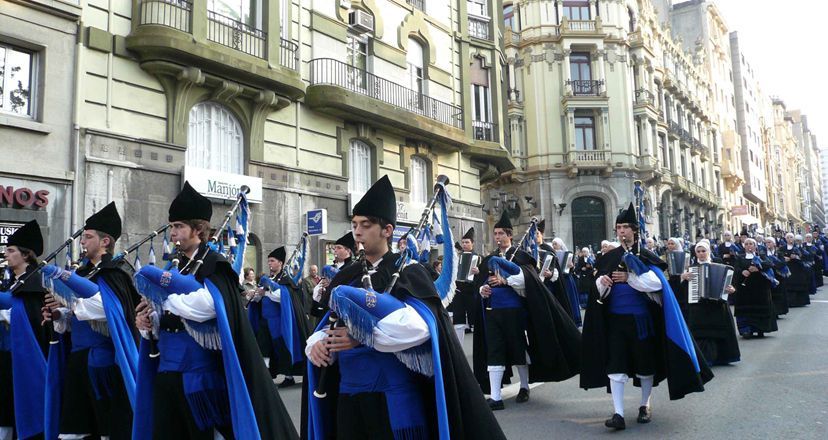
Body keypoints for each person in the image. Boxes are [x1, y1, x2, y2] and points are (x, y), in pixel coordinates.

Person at [304, 175, 506, 439]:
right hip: (348, 395)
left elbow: (419, 327)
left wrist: (359, 336)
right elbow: (329, 323)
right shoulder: (347, 275)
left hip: (393, 397)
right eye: (355, 225)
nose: (358, 231)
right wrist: (317, 343)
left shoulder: (409, 272)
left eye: (366, 225)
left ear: (387, 230)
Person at [133, 181, 298, 439]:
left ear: (198, 229)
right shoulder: (176, 269)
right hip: (168, 371)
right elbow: (169, 320)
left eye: (179, 227)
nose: (173, 233)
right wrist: (149, 324)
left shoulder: (215, 264)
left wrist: (163, 300)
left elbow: (208, 307)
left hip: (201, 377)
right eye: (172, 226)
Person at [581, 203, 712, 431]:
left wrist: (629, 277)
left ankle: (644, 404)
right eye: (618, 227)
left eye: (625, 227)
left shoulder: (646, 255)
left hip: (641, 321)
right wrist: (602, 283)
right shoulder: (610, 257)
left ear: (634, 230)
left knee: (644, 365)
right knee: (616, 366)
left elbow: (655, 283)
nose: (621, 231)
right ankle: (618, 413)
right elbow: (598, 289)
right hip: (615, 321)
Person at [41, 202, 140, 439]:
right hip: (77, 359)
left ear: (105, 241)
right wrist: (58, 315)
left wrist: (70, 304)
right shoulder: (81, 274)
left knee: (107, 426)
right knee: (74, 426)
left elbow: (110, 311)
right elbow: (76, 317)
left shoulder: (118, 272)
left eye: (87, 237)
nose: (82, 242)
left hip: (104, 364)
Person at [472, 211, 581, 411]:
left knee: (518, 348)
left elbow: (528, 281)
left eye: (500, 234)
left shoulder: (521, 256)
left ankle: (524, 386)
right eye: (495, 234)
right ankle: (495, 397)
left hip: (515, 311)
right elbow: (480, 284)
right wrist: (483, 289)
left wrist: (505, 280)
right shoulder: (489, 258)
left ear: (509, 235)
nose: (497, 237)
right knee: (494, 350)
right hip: (492, 310)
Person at [0, 220, 49, 440]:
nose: (6, 255)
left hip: (26, 358)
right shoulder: (13, 283)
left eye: (11, 251)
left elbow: (33, 319)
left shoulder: (35, 284)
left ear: (26, 255)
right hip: (6, 356)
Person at [250, 246, 309, 388]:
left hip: (279, 321)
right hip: (265, 319)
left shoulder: (285, 279)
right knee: (264, 347)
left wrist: (267, 293)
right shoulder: (268, 278)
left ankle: (289, 377)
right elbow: (261, 298)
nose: (269, 263)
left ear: (280, 263)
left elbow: (283, 296)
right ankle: (266, 376)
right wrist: (255, 295)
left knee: (281, 348)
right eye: (268, 261)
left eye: (272, 261)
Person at [678, 241, 740, 366]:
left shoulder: (718, 265)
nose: (701, 254)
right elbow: (684, 290)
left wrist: (731, 289)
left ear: (708, 252)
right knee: (701, 332)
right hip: (698, 305)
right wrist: (683, 278)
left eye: (703, 251)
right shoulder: (691, 269)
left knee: (720, 329)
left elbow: (729, 285)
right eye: (698, 251)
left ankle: (722, 357)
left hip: (717, 305)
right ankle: (704, 358)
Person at [731, 237, 777, 339]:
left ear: (755, 246)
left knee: (759, 309)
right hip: (744, 290)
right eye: (746, 244)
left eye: (751, 244)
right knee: (745, 310)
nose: (748, 246)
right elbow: (736, 269)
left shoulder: (761, 256)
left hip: (760, 288)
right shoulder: (740, 257)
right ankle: (746, 330)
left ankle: (760, 329)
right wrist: (742, 272)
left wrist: (758, 268)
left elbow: (770, 264)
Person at [309, 231, 356, 321]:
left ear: (348, 250)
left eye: (339, 248)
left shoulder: (353, 267)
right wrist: (320, 290)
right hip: (327, 307)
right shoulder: (331, 268)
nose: (335, 250)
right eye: (334, 248)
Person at [448, 227, 478, 346]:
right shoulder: (457, 258)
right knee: (458, 322)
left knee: (474, 321)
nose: (464, 244)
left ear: (472, 243)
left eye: (467, 242)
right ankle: (459, 349)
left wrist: (478, 272)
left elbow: (484, 276)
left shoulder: (478, 257)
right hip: (459, 293)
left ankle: (478, 347)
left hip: (472, 292)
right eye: (463, 242)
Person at [551, 237, 582, 326]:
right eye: (553, 244)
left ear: (560, 245)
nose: (553, 246)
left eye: (555, 244)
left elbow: (571, 269)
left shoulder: (568, 254)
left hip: (567, 280)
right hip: (557, 280)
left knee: (569, 299)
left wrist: (571, 266)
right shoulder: (552, 254)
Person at [781, 233, 810, 307]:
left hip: (797, 268)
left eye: (791, 237)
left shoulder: (798, 247)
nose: (789, 239)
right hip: (788, 268)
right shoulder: (782, 248)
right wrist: (784, 259)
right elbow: (779, 256)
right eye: (788, 237)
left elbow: (805, 256)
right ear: (785, 239)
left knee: (798, 283)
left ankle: (799, 301)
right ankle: (790, 302)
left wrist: (796, 257)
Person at [765, 238, 789, 318]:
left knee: (778, 294)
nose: (768, 244)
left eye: (770, 242)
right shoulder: (763, 253)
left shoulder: (779, 253)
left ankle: (778, 311)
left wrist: (774, 265)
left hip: (778, 276)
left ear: (774, 244)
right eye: (767, 242)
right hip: (768, 277)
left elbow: (783, 263)